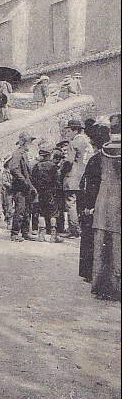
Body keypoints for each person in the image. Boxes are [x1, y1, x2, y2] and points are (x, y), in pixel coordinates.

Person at [79, 121, 111, 282]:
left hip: (95, 204)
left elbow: (89, 185)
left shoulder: (96, 159)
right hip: (106, 204)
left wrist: (88, 206)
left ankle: (90, 272)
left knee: (91, 238)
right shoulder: (107, 159)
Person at [91, 130, 121, 301]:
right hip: (120, 207)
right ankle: (118, 288)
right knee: (118, 249)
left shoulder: (101, 155)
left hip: (102, 205)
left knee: (101, 249)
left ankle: (100, 286)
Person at [62, 118, 93, 238]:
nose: (67, 133)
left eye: (69, 131)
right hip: (83, 178)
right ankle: (82, 228)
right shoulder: (87, 143)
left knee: (70, 204)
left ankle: (74, 230)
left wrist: (62, 170)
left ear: (75, 131)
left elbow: (69, 161)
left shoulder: (73, 143)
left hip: (72, 178)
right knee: (81, 204)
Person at [9, 130, 37, 242]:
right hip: (20, 187)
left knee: (27, 211)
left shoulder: (23, 154)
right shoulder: (17, 154)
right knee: (20, 210)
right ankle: (15, 233)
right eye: (28, 142)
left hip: (26, 187)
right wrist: (24, 181)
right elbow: (14, 169)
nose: (30, 144)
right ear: (23, 142)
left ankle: (25, 232)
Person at [30, 141, 60, 242]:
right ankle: (53, 235)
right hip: (51, 193)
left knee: (41, 213)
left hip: (41, 193)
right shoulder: (54, 166)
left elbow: (33, 179)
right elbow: (57, 181)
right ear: (50, 154)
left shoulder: (37, 166)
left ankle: (41, 235)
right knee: (53, 214)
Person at [0, 156, 13, 229]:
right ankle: (9, 222)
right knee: (8, 207)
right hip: (7, 192)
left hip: (12, 191)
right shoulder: (5, 172)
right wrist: (10, 185)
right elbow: (4, 182)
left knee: (13, 206)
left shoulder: (12, 171)